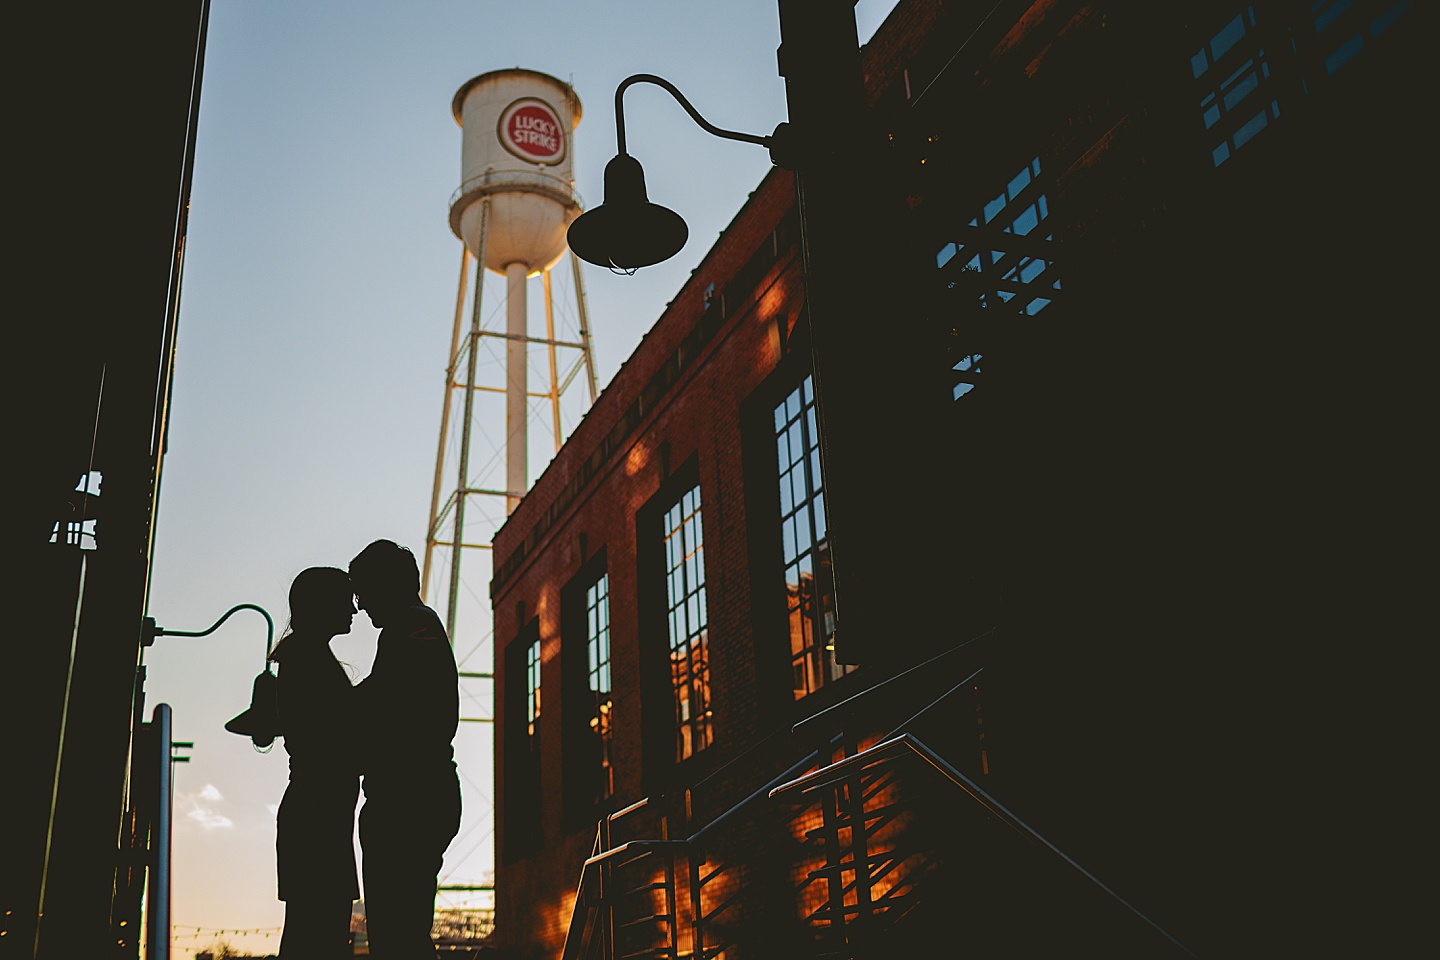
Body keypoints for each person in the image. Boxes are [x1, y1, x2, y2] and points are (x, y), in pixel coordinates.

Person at [349, 539, 461, 959]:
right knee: (404, 930)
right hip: (420, 793)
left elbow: (386, 704)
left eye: (363, 591)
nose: (359, 605)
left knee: (398, 934)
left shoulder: (411, 626)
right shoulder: (415, 626)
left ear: (388, 584)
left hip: (408, 797)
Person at [269, 566, 362, 960]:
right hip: (319, 815)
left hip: (319, 813)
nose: (355, 610)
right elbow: (332, 734)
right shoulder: (307, 658)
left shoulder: (303, 656)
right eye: (347, 599)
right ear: (323, 605)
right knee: (319, 930)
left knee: (313, 929)